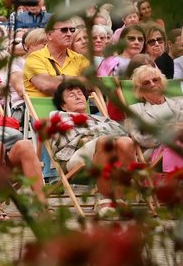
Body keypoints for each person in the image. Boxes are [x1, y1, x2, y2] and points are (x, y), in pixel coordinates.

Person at [48, 79, 138, 217]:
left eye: (80, 93)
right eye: (71, 95)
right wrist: (101, 135)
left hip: (103, 148)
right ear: (63, 105)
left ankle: (118, 198)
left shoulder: (101, 119)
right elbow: (68, 142)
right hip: (73, 156)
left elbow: (123, 133)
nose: (78, 96)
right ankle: (105, 200)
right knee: (105, 140)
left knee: (126, 142)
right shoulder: (59, 117)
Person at [126, 65, 183, 172]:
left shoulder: (180, 102)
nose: (152, 84)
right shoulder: (136, 110)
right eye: (146, 83)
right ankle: (175, 179)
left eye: (155, 80)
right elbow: (139, 137)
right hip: (157, 152)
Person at [23, 15, 90, 97]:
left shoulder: (79, 58)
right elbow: (46, 85)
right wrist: (78, 80)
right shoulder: (35, 58)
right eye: (64, 30)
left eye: (72, 30)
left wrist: (60, 79)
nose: (69, 34)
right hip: (42, 108)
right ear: (49, 35)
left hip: (75, 109)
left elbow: (92, 84)